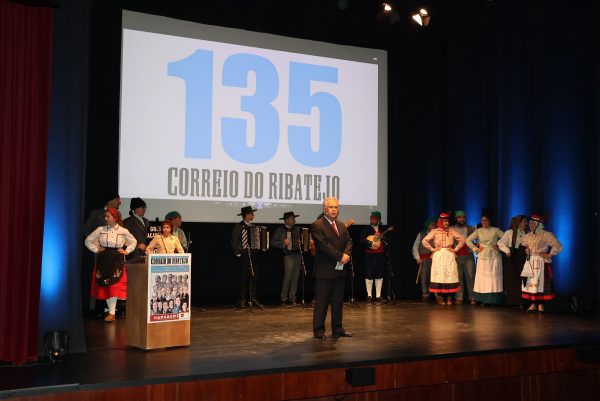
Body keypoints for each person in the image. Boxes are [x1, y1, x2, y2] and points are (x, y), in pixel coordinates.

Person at [84, 207, 137, 322]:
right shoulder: (100, 229)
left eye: (108, 216)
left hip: (117, 259)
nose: (106, 218)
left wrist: (126, 251)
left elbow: (133, 242)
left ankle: (112, 313)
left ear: (115, 217)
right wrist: (96, 249)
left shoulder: (123, 231)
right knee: (105, 284)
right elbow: (87, 241)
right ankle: (111, 312)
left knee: (114, 284)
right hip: (104, 259)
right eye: (105, 216)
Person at [311, 197, 353, 339]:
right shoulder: (317, 225)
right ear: (324, 209)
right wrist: (340, 256)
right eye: (331, 207)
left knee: (338, 302)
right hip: (325, 271)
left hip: (340, 270)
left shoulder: (341, 225)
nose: (334, 209)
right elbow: (323, 245)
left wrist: (346, 255)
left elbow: (349, 241)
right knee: (322, 303)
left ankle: (338, 328)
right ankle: (318, 330)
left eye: (336, 207)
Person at [421, 212, 465, 305]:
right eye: (444, 221)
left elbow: (462, 239)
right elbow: (424, 241)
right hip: (439, 255)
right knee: (439, 276)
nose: (446, 223)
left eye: (447, 221)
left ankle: (449, 298)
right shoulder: (435, 231)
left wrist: (455, 249)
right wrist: (432, 249)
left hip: (449, 254)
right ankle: (439, 298)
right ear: (440, 221)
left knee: (449, 276)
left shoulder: (451, 231)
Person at [521, 214, 562, 312]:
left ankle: (541, 305)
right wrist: (526, 250)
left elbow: (557, 245)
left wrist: (548, 255)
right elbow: (525, 246)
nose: (529, 225)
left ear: (538, 224)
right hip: (530, 260)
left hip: (540, 261)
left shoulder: (545, 234)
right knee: (531, 282)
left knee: (540, 283)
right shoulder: (528, 235)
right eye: (529, 223)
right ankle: (533, 304)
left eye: (532, 223)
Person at [466, 210, 505, 306]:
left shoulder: (495, 230)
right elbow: (468, 240)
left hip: (494, 256)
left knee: (493, 278)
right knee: (483, 278)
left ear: (490, 221)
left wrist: (499, 247)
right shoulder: (478, 231)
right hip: (482, 256)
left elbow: (506, 238)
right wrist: (476, 249)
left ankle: (494, 299)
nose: (484, 222)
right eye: (482, 220)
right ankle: (483, 299)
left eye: (486, 220)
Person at [231, 206, 264, 309]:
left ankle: (253, 298)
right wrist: (238, 252)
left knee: (254, 277)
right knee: (244, 278)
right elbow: (234, 240)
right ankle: (241, 300)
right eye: (251, 214)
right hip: (244, 255)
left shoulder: (253, 227)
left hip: (253, 255)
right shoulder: (239, 226)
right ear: (246, 215)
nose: (253, 215)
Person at [271, 211, 302, 306]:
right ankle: (283, 298)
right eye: (293, 219)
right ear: (287, 220)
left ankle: (292, 298)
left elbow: (302, 240)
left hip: (298, 255)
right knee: (288, 277)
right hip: (288, 255)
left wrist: (302, 242)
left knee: (295, 277)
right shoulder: (280, 230)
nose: (295, 221)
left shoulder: (297, 229)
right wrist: (283, 244)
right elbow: (273, 242)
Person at [497, 215, 529, 307]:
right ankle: (514, 301)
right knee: (512, 279)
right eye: (524, 222)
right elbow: (500, 243)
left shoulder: (527, 233)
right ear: (519, 223)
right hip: (513, 256)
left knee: (523, 279)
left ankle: (523, 301)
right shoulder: (509, 232)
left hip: (522, 256)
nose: (526, 224)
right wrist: (507, 251)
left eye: (526, 222)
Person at [450, 211, 476, 304]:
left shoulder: (471, 228)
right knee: (458, 277)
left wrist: (475, 247)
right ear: (456, 219)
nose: (462, 219)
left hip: (468, 255)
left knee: (471, 276)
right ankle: (459, 297)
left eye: (463, 217)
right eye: (459, 217)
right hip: (456, 256)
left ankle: (472, 297)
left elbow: (479, 238)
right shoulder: (451, 228)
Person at [360, 211, 386, 302]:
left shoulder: (383, 229)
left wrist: (382, 237)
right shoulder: (366, 229)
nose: (372, 219)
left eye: (374, 218)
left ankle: (378, 295)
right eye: (371, 218)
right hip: (369, 255)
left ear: (378, 219)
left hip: (380, 255)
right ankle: (369, 295)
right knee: (369, 273)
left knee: (379, 274)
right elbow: (362, 240)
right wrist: (371, 243)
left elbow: (388, 240)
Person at [412, 217, 436, 301]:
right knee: (424, 277)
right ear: (428, 226)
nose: (434, 226)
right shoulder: (421, 234)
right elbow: (415, 247)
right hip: (424, 259)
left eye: (434, 225)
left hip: (435, 259)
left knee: (435, 277)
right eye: (432, 225)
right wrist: (417, 258)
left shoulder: (437, 234)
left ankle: (437, 295)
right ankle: (425, 295)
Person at [123, 197, 150, 262]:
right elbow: (125, 238)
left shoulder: (146, 221)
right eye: (143, 207)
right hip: (134, 253)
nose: (145, 209)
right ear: (136, 208)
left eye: (145, 207)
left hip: (147, 252)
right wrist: (137, 245)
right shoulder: (127, 221)